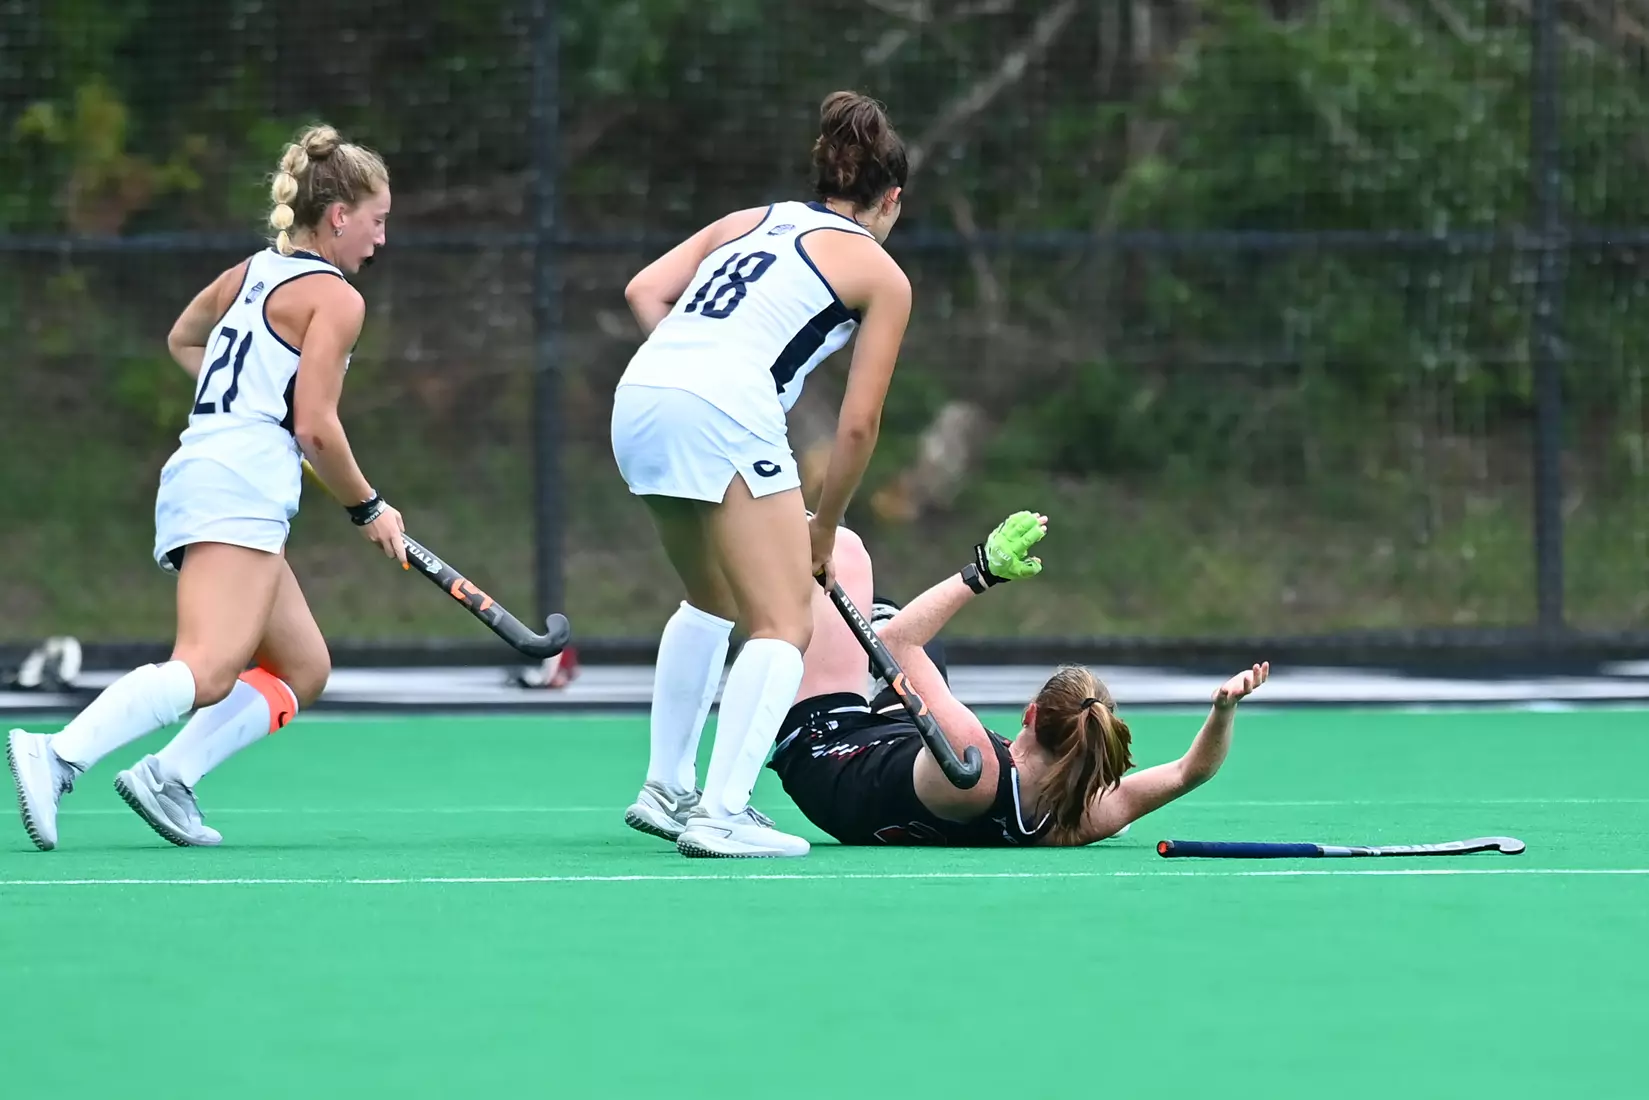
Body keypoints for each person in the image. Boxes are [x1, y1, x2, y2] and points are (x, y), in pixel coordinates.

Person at [7, 124, 403, 851]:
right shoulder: (337, 299)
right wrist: (368, 507)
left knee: (301, 667)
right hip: (236, 484)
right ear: (339, 216)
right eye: (376, 221)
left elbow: (184, 338)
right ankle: (59, 753)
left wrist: (253, 407)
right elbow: (316, 426)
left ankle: (169, 776)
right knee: (209, 667)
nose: (381, 238)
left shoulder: (250, 271)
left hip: (215, 471)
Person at [612, 91, 913, 858]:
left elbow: (644, 289)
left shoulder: (749, 220)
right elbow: (858, 424)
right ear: (889, 199)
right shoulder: (881, 273)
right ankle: (721, 813)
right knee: (784, 622)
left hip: (642, 394)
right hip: (722, 409)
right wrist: (825, 525)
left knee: (710, 597)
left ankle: (666, 788)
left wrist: (690, 369)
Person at [767, 511, 1270, 846]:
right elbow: (1189, 772)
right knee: (925, 652)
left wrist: (983, 571)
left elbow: (896, 645)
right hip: (893, 742)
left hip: (825, 746)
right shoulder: (1078, 819)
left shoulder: (976, 760)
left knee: (844, 550)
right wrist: (1223, 711)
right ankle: (870, 616)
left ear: (1031, 714)